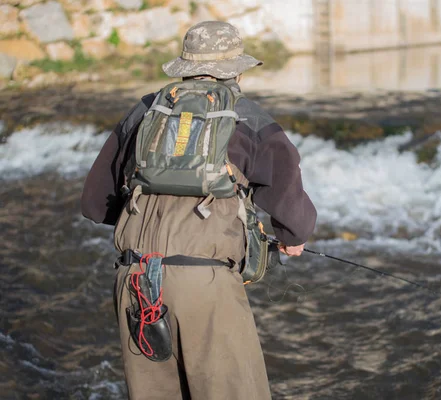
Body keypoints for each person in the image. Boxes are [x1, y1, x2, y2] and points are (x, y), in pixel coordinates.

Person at [81, 21, 317, 400]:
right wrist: (292, 237)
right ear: (236, 71)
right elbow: (289, 197)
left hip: (136, 277)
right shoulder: (248, 117)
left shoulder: (145, 110)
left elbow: (94, 204)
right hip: (204, 285)